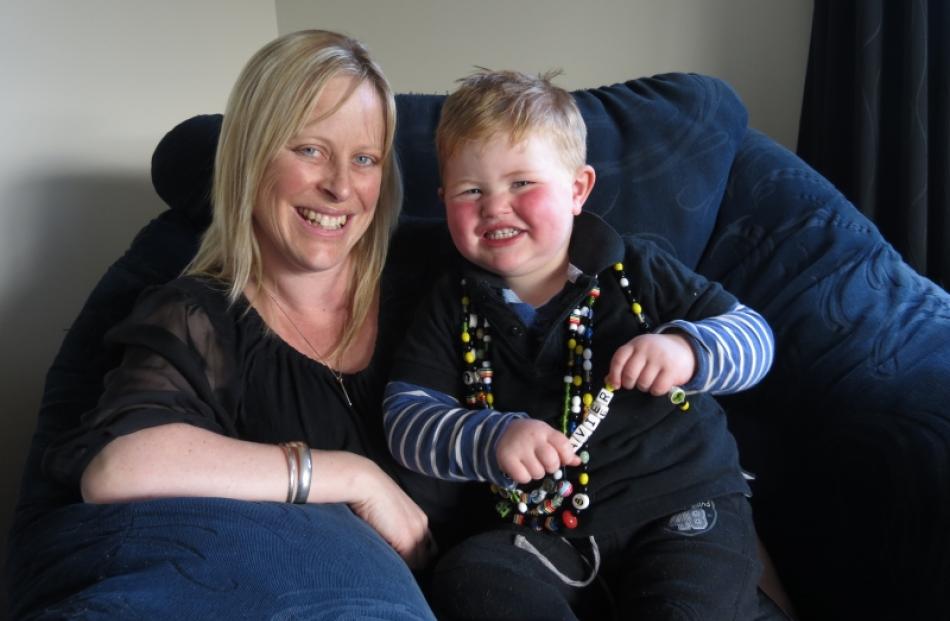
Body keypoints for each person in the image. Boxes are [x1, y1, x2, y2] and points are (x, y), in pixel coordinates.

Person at [36, 30, 438, 619]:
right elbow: (119, 467)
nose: (341, 187)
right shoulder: (199, 314)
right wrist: (354, 477)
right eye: (309, 149)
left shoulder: (432, 288)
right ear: (251, 157)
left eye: (364, 159)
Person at [383, 70, 775, 620]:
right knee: (470, 576)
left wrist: (688, 350)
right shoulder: (451, 302)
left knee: (693, 601)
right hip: (536, 529)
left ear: (577, 189)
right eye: (471, 191)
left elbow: (754, 337)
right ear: (444, 199)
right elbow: (406, 420)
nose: (495, 206)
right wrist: (489, 438)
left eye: (522, 183)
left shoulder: (636, 271)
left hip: (681, 504)